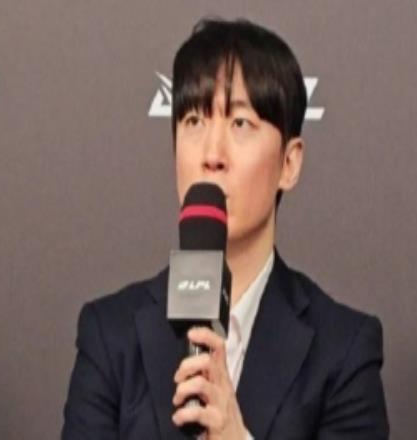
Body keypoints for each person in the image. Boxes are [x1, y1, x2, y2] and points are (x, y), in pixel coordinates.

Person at [62, 18, 389, 439]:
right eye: (194, 121)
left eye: (240, 124)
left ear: (289, 163)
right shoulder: (110, 334)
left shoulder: (343, 349)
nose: (212, 154)